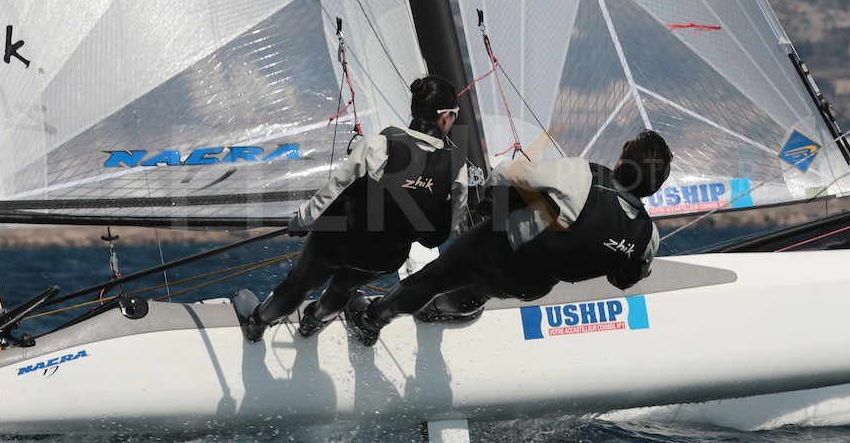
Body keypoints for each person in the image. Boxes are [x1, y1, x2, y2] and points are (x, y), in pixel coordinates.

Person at [345, 130, 673, 346]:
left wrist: (490, 198)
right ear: (655, 187)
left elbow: (509, 174)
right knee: (485, 288)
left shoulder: (583, 176)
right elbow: (624, 279)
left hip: (495, 252)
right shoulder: (647, 238)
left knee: (431, 279)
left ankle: (372, 320)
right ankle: (444, 310)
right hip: (532, 286)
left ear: (621, 160)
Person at [233, 75, 467, 341]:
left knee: (299, 284)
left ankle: (256, 324)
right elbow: (453, 218)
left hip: (338, 242)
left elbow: (335, 188)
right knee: (343, 290)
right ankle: (313, 324)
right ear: (446, 116)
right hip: (387, 257)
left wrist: (303, 219)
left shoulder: (381, 145)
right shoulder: (457, 167)